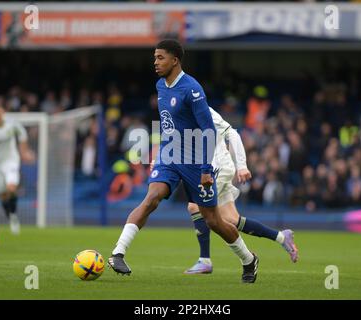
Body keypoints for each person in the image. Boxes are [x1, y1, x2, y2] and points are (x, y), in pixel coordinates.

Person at [108, 39, 259, 283]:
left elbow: (208, 129)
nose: (155, 62)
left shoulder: (192, 89)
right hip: (169, 155)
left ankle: (248, 259)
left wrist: (206, 170)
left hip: (196, 162)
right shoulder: (160, 85)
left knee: (214, 221)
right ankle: (118, 253)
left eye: (160, 58)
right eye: (154, 58)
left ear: (175, 60)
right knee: (151, 198)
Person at [183, 107, 298, 274]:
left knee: (195, 206)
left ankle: (205, 260)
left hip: (218, 167)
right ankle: (281, 237)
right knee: (231, 219)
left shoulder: (201, 109)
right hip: (209, 169)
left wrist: (242, 166)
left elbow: (233, 134)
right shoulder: (178, 114)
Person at [0, 104, 35, 235]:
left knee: (11, 187)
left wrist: (24, 151)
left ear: (3, 113)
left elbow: (22, 134)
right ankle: (11, 217)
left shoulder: (12, 124)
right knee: (3, 194)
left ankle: (13, 216)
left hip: (11, 160)